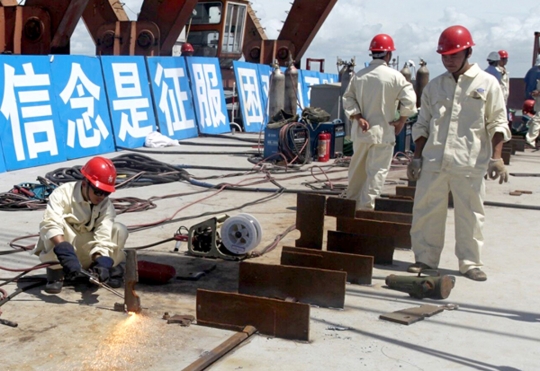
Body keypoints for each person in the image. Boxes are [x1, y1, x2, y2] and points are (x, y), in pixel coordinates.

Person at [406, 25, 510, 282]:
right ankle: (425, 260)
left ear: (468, 52)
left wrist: (497, 157)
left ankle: (470, 262)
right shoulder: (434, 87)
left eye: (453, 55)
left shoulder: (487, 84)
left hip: (469, 162)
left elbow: (497, 123)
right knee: (427, 211)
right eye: (444, 56)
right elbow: (422, 124)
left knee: (471, 214)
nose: (448, 60)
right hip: (434, 161)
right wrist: (417, 156)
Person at [342, 34, 417, 210]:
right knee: (376, 173)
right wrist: (402, 120)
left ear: (372, 53)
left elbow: (348, 99)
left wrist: (358, 117)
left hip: (362, 133)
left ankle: (350, 208)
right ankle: (367, 209)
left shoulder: (359, 76)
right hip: (383, 134)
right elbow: (410, 101)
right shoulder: (395, 77)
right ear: (388, 55)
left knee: (357, 172)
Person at [34, 157, 128, 294]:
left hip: (87, 251)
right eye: (98, 191)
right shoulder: (62, 194)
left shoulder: (106, 206)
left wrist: (101, 261)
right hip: (65, 251)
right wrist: (65, 253)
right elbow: (50, 224)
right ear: (85, 183)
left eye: (106, 192)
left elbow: (104, 236)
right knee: (51, 228)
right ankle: (56, 274)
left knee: (119, 230)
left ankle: (103, 270)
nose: (102, 196)